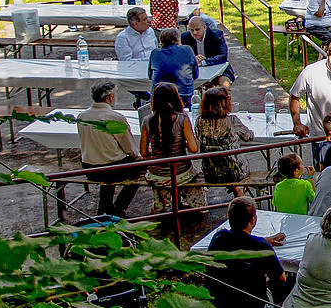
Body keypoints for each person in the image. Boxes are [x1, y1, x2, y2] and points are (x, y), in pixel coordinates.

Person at [204, 195, 292, 308]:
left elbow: (237, 240)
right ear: (253, 219)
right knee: (287, 283)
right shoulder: (260, 247)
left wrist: (263, 240)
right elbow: (281, 278)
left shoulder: (218, 238)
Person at [78, 81, 143, 217]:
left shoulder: (82, 117)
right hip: (112, 168)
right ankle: (119, 207)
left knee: (108, 166)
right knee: (141, 170)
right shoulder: (114, 118)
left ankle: (105, 207)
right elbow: (130, 149)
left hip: (89, 167)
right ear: (110, 97)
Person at [140, 82, 199, 211]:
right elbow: (194, 149)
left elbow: (143, 152)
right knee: (193, 173)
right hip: (180, 172)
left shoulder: (147, 121)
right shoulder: (182, 119)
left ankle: (165, 204)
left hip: (157, 174)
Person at [194, 84, 255, 191]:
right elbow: (248, 137)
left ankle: (237, 189)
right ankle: (239, 191)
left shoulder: (199, 122)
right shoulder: (231, 121)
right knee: (239, 163)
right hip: (234, 172)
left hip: (210, 172)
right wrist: (249, 132)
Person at [147, 28, 197, 107]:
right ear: (178, 40)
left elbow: (150, 75)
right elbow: (195, 74)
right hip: (185, 95)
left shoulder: (155, 53)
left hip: (159, 97)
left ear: (161, 41)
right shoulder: (187, 50)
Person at [182, 15, 231, 80]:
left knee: (223, 83)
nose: (194, 33)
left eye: (197, 29)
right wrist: (194, 59)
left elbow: (223, 56)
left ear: (204, 27)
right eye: (192, 30)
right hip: (195, 72)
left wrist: (203, 62)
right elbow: (183, 57)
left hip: (216, 67)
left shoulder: (216, 35)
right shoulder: (185, 37)